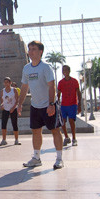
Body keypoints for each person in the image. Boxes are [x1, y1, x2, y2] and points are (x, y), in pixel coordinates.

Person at [17, 41, 65, 170]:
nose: (30, 51)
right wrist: (19, 104)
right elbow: (24, 87)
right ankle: (36, 158)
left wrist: (51, 104)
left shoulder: (46, 67)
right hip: (35, 106)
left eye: (33, 49)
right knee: (36, 131)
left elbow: (52, 86)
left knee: (55, 130)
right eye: (29, 49)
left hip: (49, 105)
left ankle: (59, 159)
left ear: (40, 52)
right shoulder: (26, 68)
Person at [57, 65, 82, 146]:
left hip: (72, 104)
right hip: (63, 105)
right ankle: (66, 137)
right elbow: (58, 94)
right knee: (63, 122)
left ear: (69, 71)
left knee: (71, 121)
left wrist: (79, 105)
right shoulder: (60, 83)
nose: (64, 71)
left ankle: (74, 138)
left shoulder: (75, 81)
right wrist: (56, 103)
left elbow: (78, 93)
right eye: (63, 70)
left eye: (65, 70)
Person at [0, 77, 20, 146]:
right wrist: (1, 105)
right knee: (3, 124)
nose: (6, 84)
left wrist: (13, 108)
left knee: (14, 124)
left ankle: (16, 140)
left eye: (7, 82)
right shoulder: (2, 91)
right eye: (5, 82)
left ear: (10, 83)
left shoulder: (14, 90)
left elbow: (17, 100)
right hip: (5, 109)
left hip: (13, 109)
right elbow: (2, 101)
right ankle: (4, 140)